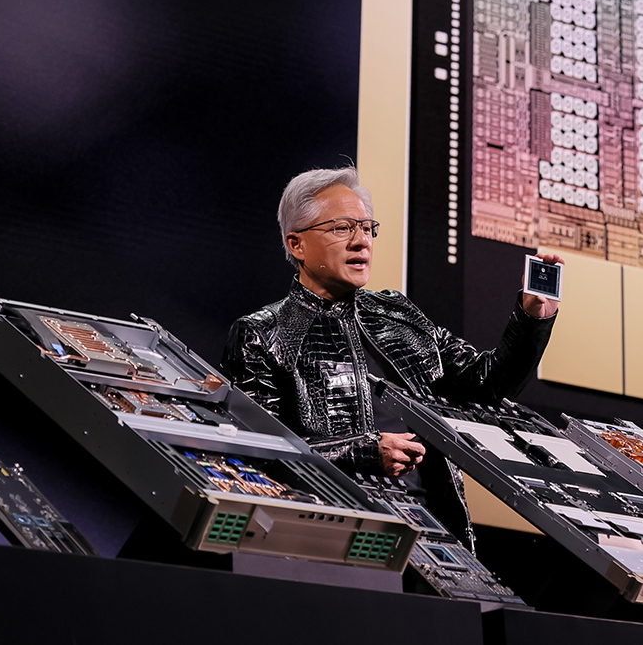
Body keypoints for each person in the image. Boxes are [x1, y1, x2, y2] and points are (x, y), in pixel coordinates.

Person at [222, 167, 561, 537]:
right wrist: (365, 452)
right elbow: (260, 451)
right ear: (296, 244)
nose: (361, 242)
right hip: (335, 531)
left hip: (435, 530)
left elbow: (487, 385)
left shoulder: (398, 313)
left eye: (367, 228)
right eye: (341, 228)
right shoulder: (262, 334)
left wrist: (532, 317)